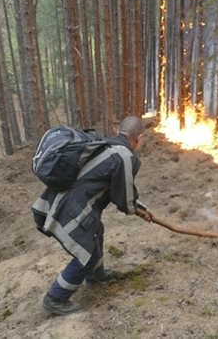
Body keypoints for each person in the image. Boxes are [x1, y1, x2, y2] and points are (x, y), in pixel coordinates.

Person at [32, 116, 154, 315]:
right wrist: (137, 210)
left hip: (62, 203)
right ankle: (55, 298)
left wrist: (137, 206)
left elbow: (120, 190)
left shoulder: (105, 144)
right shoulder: (125, 156)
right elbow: (124, 198)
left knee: (97, 230)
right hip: (71, 211)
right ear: (139, 138)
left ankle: (96, 276)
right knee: (86, 256)